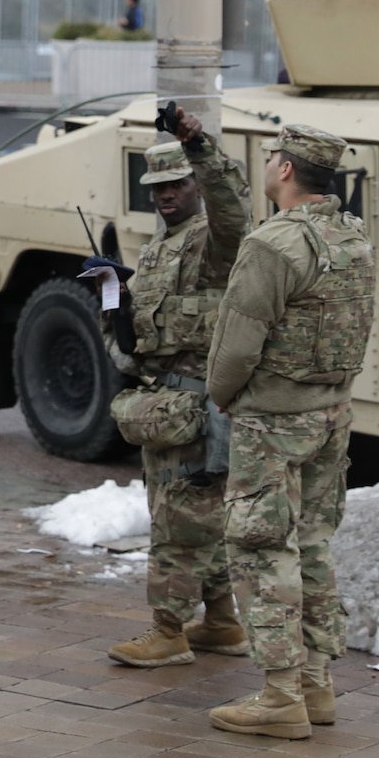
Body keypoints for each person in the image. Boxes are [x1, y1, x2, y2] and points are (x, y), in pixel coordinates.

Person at [204, 124, 374, 741]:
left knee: (260, 546)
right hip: (333, 413)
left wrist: (222, 396)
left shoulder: (274, 243)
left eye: (272, 157)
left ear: (284, 170)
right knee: (313, 543)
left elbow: (237, 341)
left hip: (274, 418)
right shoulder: (352, 238)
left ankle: (279, 694)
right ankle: (316, 684)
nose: (269, 163)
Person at [99, 109, 252, 669]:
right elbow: (138, 338)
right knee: (192, 517)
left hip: (197, 404)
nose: (165, 195)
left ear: (195, 187)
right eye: (157, 187)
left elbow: (234, 212)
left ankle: (167, 632)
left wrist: (198, 146)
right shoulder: (159, 250)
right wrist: (114, 296)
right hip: (164, 405)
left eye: (177, 184)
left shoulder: (215, 244)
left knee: (179, 525)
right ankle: (221, 621)